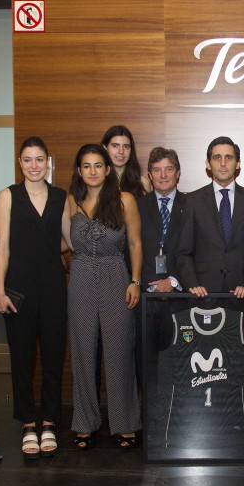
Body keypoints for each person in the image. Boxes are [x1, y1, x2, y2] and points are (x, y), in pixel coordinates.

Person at [64, 144, 144, 450]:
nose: (93, 171)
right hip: (81, 276)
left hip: (116, 275)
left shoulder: (125, 200)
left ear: (108, 170)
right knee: (82, 352)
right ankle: (85, 423)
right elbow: (64, 241)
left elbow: (135, 244)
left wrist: (135, 280)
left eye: (98, 165)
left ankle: (126, 423)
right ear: (79, 170)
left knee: (119, 351)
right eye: (86, 166)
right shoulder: (72, 200)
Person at [0, 137, 69, 460]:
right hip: (18, 290)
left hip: (53, 287)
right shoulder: (8, 196)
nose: (34, 165)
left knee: (53, 358)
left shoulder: (61, 197)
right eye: (28, 160)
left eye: (39, 159)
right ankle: (27, 423)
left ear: (47, 162)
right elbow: (2, 246)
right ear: (20, 163)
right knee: (22, 360)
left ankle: (49, 421)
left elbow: (69, 240)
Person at [177, 136, 244, 300]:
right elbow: (184, 253)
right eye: (217, 158)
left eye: (229, 157)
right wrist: (193, 284)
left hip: (242, 296)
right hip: (203, 294)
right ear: (208, 164)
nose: (223, 163)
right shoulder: (193, 201)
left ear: (238, 163)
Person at [135, 147, 188, 388]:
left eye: (168, 169)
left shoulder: (193, 205)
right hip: (146, 300)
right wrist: (147, 284)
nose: (163, 175)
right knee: (146, 367)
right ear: (149, 175)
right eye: (157, 170)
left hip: (180, 301)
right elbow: (130, 249)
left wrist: (174, 281)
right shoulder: (136, 206)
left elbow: (199, 252)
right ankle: (149, 412)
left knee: (180, 367)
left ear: (178, 173)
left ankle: (174, 413)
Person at [102, 125, 150, 197]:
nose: (121, 151)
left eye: (126, 146)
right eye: (115, 146)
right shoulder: (97, 181)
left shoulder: (142, 183)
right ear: (105, 148)